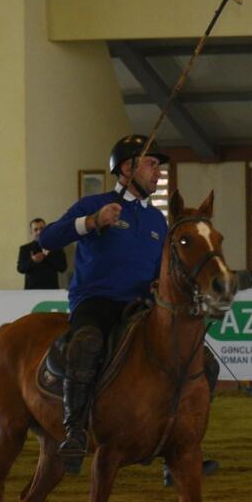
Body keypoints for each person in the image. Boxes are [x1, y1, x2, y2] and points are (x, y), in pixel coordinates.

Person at [37, 133, 170, 473]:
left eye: (158, 166)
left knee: (192, 356)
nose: (157, 172)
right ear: (127, 167)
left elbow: (161, 270)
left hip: (141, 306)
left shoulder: (158, 221)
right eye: (151, 164)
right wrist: (92, 222)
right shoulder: (93, 204)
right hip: (95, 302)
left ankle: (177, 441)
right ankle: (74, 433)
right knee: (86, 344)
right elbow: (48, 238)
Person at [17, 217, 68, 290]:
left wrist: (48, 256)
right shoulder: (25, 249)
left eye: (41, 229)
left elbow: (63, 268)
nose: (39, 232)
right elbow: (20, 269)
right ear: (31, 232)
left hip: (52, 290)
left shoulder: (56, 247)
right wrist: (33, 261)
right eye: (35, 229)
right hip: (31, 291)